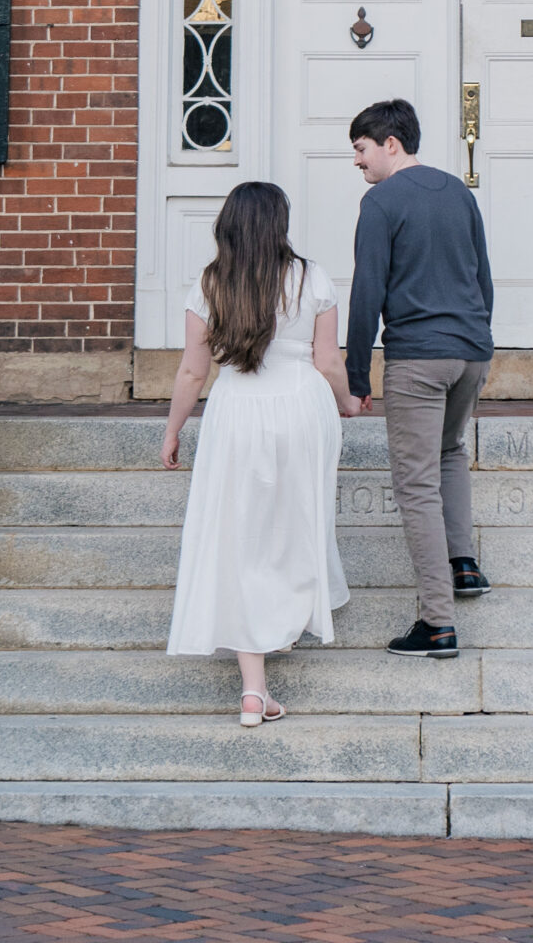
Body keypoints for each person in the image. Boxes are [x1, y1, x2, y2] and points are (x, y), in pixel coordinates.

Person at [162, 180, 358, 724]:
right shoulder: (310, 275)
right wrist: (347, 403)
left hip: (237, 410)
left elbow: (192, 370)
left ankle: (254, 688)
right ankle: (284, 625)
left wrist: (173, 430)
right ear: (278, 224)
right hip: (301, 405)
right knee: (297, 523)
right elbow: (328, 362)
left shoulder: (209, 283)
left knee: (242, 535)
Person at [345, 97, 495, 658]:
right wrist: (479, 337)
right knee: (450, 452)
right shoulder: (459, 191)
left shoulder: (380, 202)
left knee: (415, 484)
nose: (357, 162)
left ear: (390, 144)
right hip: (471, 352)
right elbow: (484, 276)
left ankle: (437, 623)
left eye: (361, 150)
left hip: (418, 359)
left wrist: (358, 375)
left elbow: (366, 293)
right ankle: (464, 566)